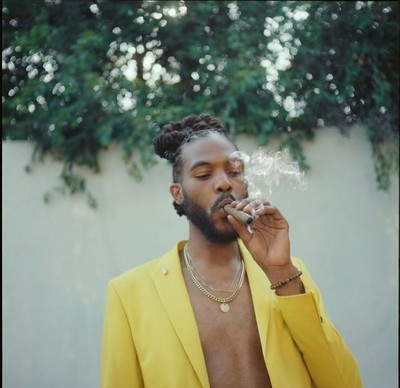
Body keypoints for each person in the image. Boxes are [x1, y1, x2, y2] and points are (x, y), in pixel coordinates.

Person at [100, 113, 362, 388]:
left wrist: (281, 273)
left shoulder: (291, 275)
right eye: (203, 174)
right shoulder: (129, 293)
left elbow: (343, 382)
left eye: (235, 171)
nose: (224, 183)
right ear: (178, 193)